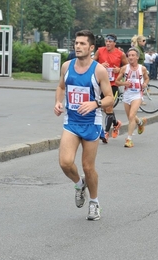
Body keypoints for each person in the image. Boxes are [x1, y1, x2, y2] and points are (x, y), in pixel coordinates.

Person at [53, 30, 113, 221]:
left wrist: (95, 103)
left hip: (91, 122)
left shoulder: (98, 71)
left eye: (82, 44)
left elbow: (110, 98)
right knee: (65, 162)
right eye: (76, 43)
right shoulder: (67, 66)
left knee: (88, 167)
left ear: (91, 47)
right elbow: (61, 86)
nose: (78, 46)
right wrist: (57, 102)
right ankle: (79, 185)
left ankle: (94, 203)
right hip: (71, 121)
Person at [93, 33, 128, 143]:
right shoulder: (100, 51)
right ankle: (116, 123)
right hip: (101, 83)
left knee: (108, 108)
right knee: (104, 108)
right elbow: (91, 62)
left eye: (110, 42)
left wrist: (119, 69)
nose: (107, 43)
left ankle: (106, 133)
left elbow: (127, 66)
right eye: (106, 41)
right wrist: (100, 65)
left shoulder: (120, 54)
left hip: (113, 84)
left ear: (114, 43)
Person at [115, 47, 149, 148]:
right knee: (131, 117)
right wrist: (124, 83)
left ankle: (129, 140)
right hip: (127, 94)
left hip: (137, 94)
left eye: (133, 55)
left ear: (137, 57)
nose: (130, 57)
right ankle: (140, 122)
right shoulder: (124, 68)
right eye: (129, 55)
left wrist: (145, 84)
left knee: (131, 116)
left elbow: (147, 78)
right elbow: (117, 82)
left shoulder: (142, 68)